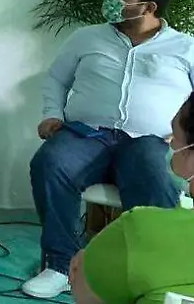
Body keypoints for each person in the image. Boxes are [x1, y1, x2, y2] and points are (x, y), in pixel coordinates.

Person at [23, 0, 194, 299]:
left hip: (150, 141)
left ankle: (152, 272)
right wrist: (51, 114)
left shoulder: (185, 47)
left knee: (156, 178)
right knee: (50, 162)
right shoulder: (86, 37)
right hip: (87, 134)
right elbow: (56, 79)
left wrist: (185, 136)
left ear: (148, 7)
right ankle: (60, 266)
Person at [69, 93, 194, 304]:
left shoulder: (140, 229)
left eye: (175, 140)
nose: (170, 147)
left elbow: (86, 292)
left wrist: (91, 263)